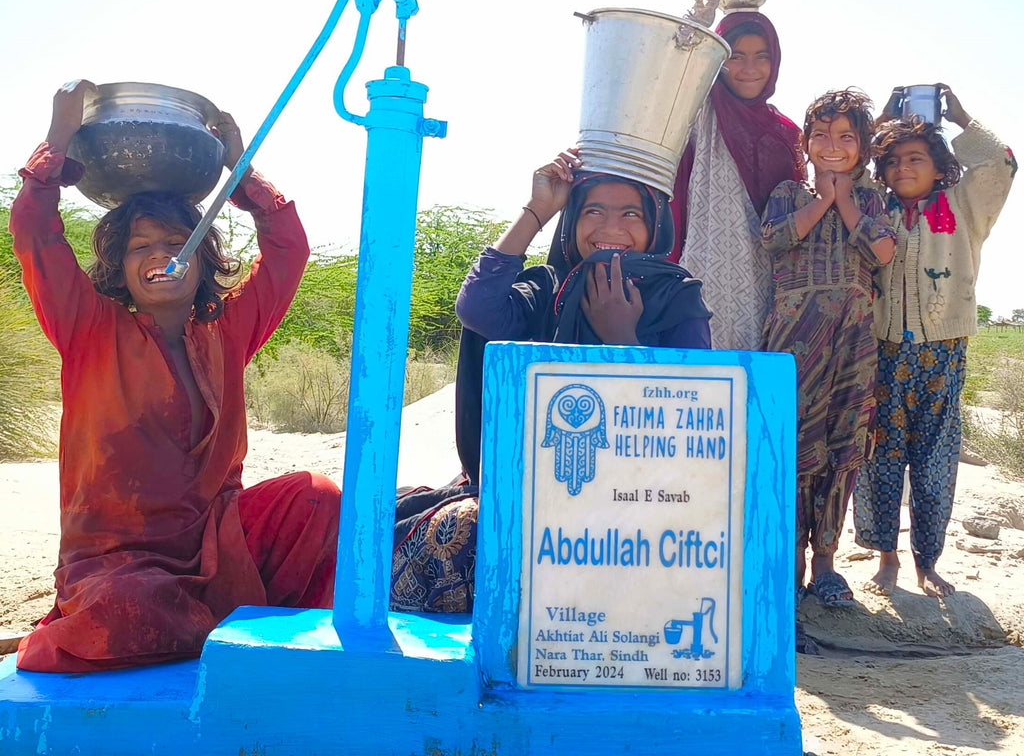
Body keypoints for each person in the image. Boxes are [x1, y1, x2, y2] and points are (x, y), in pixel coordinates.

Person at [10, 80, 341, 672]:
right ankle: (223, 626)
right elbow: (36, 231)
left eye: (174, 241)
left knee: (316, 499)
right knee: (122, 608)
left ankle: (261, 641)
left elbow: (288, 247)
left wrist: (243, 171)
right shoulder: (88, 326)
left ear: (201, 258)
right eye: (140, 247)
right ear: (120, 265)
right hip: (118, 560)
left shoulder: (230, 329)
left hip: (220, 541)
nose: (159, 256)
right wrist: (59, 136)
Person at [390, 149, 713, 613]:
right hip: (532, 487)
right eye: (593, 211)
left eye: (630, 214)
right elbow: (478, 309)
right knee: (446, 527)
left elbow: (691, 411)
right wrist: (538, 211)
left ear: (655, 224)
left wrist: (621, 340)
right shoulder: (548, 288)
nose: (610, 227)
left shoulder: (677, 296)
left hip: (641, 500)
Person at [854, 87, 1016, 598]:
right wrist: (881, 121)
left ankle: (929, 563)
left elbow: (1000, 164)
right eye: (895, 160)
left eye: (916, 158)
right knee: (880, 457)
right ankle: (886, 558)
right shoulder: (873, 207)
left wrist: (962, 116)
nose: (904, 167)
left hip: (942, 354)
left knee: (935, 460)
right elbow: (849, 172)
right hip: (883, 354)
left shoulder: (963, 207)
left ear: (940, 166)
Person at [760, 89, 896, 609]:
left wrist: (845, 201)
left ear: (862, 146)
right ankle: (791, 557)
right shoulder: (788, 192)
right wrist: (823, 200)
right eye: (821, 134)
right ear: (806, 141)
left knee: (843, 445)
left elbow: (883, 251)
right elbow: (773, 240)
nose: (832, 145)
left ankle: (826, 561)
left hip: (853, 339)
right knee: (795, 444)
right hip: (794, 338)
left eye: (845, 136)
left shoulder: (871, 200)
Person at [672, 0, 805, 350]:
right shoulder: (700, 110)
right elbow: (682, 47)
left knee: (754, 399)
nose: (750, 68)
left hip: (768, 291)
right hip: (700, 279)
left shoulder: (787, 133)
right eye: (734, 56)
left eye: (761, 56)